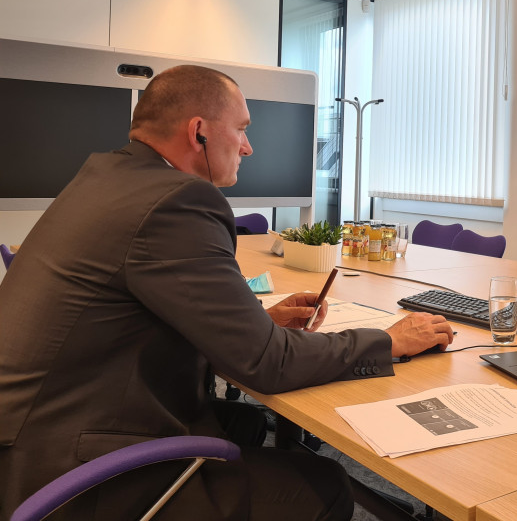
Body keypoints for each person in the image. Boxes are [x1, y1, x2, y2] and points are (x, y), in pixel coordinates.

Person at [0, 65, 454, 521]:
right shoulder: (176, 201)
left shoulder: (108, 176)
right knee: (325, 483)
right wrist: (390, 340)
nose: (247, 146)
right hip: (69, 472)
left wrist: (258, 323)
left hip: (34, 431)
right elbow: (268, 364)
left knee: (246, 421)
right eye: (240, 129)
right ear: (199, 133)